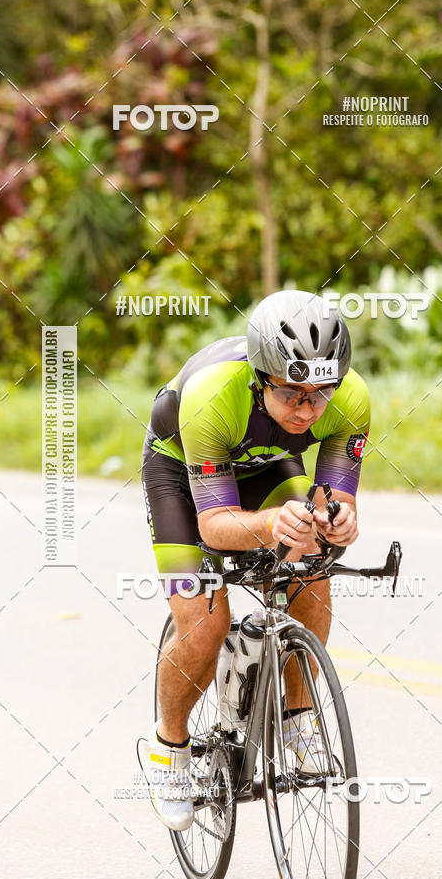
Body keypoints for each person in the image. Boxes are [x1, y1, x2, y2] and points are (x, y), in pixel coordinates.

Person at [141, 289, 370, 830]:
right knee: (204, 622)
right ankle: (169, 749)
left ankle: (297, 717)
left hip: (267, 461)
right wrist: (270, 524)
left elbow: (337, 496)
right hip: (182, 472)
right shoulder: (212, 396)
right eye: (293, 393)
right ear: (261, 377)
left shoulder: (352, 399)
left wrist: (339, 517)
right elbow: (214, 525)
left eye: (321, 393)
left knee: (313, 562)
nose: (308, 409)